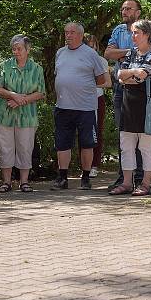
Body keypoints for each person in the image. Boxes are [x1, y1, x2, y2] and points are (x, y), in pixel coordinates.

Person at [108, 19, 151, 196]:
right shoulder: (130, 53)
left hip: (146, 106)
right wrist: (131, 74)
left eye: (136, 32)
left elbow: (141, 75)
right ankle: (126, 183)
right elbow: (119, 76)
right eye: (132, 32)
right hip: (128, 103)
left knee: (146, 146)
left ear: (146, 34)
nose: (132, 36)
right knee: (126, 145)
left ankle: (146, 184)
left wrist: (130, 75)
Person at [52, 22, 109, 190]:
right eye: (66, 32)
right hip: (62, 106)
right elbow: (59, 76)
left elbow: (101, 80)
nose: (68, 35)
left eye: (71, 32)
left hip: (85, 108)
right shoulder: (60, 53)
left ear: (80, 35)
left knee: (87, 143)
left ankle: (85, 178)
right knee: (62, 143)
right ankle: (62, 178)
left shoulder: (91, 54)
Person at [0, 35, 46, 193]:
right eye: (14, 48)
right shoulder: (4, 66)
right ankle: (6, 182)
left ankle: (24, 182)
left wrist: (21, 100)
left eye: (19, 48)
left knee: (25, 147)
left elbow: (41, 92)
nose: (16, 51)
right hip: (3, 114)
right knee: (5, 148)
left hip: (27, 115)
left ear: (28, 50)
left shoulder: (36, 68)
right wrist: (14, 95)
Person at [104, 0, 145, 189]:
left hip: (139, 89)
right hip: (120, 88)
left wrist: (121, 54)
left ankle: (140, 178)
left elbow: (145, 55)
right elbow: (108, 54)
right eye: (122, 9)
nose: (124, 11)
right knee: (123, 134)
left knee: (139, 134)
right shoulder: (118, 30)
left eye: (128, 9)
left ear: (138, 12)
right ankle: (124, 177)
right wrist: (129, 51)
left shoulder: (146, 29)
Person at [85, 34, 110, 179]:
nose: (91, 47)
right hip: (80, 100)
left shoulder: (102, 61)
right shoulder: (78, 60)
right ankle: (85, 166)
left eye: (93, 45)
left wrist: (90, 83)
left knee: (97, 132)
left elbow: (107, 83)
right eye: (88, 45)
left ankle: (95, 165)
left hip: (97, 98)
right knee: (83, 133)